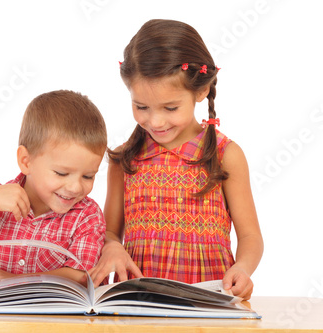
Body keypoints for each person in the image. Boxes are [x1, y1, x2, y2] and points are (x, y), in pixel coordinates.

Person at [89, 19, 263, 300]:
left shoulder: (225, 155)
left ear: (200, 91)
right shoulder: (125, 159)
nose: (155, 121)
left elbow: (250, 236)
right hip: (140, 305)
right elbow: (110, 231)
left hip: (209, 304)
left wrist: (243, 268)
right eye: (141, 106)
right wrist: (112, 246)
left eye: (170, 107)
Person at [0, 90, 107, 284]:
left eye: (88, 176)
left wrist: (16, 280)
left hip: (51, 314)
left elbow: (81, 276)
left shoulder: (87, 215)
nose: (75, 187)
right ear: (26, 161)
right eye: (61, 173)